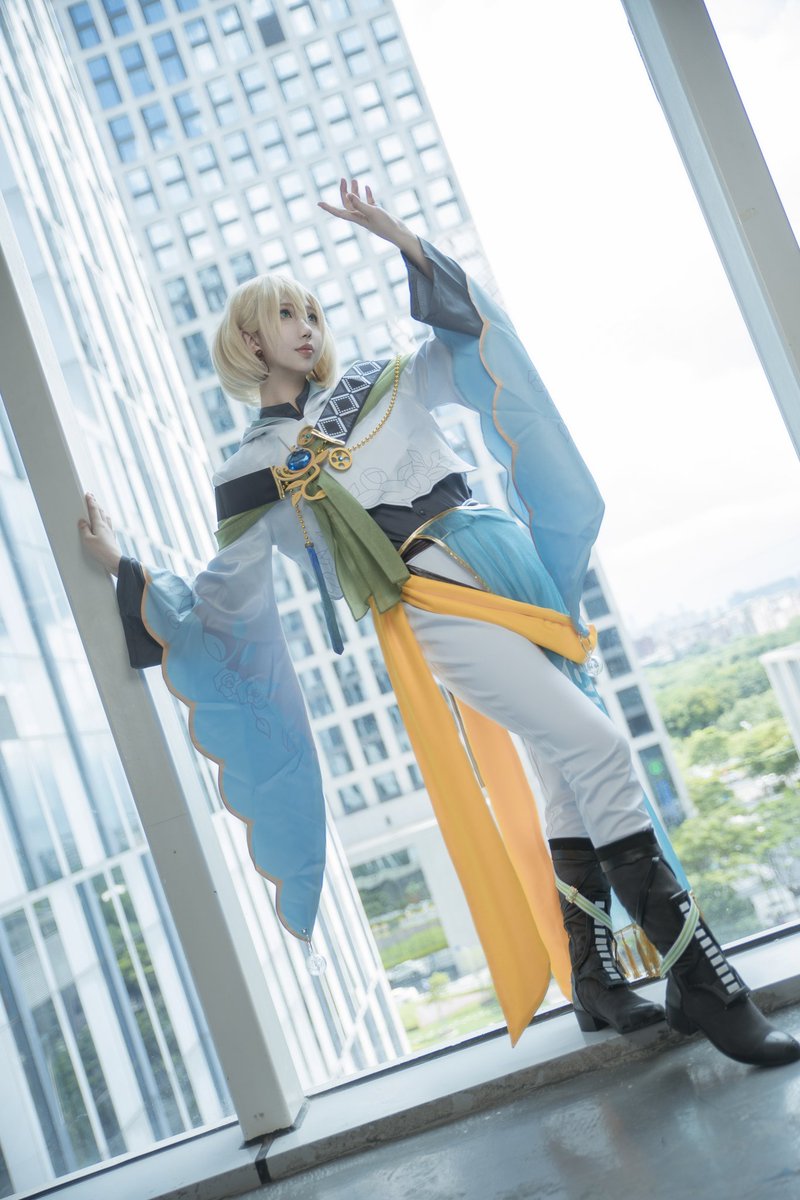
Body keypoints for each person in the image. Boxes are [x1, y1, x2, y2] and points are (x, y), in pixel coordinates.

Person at [80, 180, 798, 1066]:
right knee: (599, 745)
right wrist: (124, 569)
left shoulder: (380, 381)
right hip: (425, 597)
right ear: (249, 340)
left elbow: (473, 341)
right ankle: (706, 983)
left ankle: (596, 981)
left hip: (504, 562)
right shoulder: (252, 471)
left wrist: (402, 240)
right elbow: (220, 597)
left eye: (312, 311)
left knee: (565, 765)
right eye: (284, 314)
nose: (306, 326)